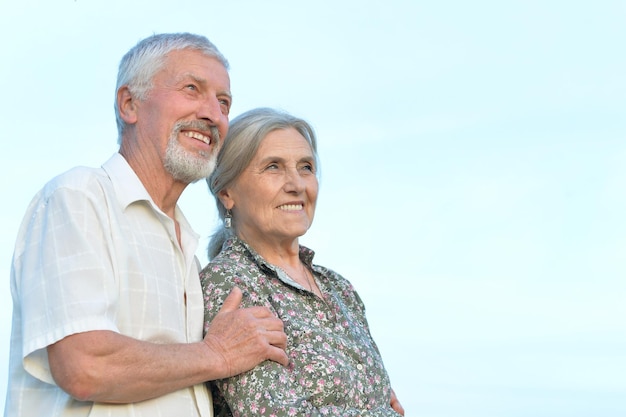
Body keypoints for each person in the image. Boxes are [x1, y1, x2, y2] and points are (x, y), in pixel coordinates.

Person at [4, 33, 289, 417]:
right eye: (192, 89)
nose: (213, 114)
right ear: (129, 104)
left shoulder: (188, 246)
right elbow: (84, 364)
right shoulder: (78, 196)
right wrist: (216, 353)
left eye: (224, 102)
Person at [200, 107, 405, 416]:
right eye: (273, 167)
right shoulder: (229, 282)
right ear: (227, 192)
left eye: (306, 167)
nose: (297, 184)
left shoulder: (339, 288)